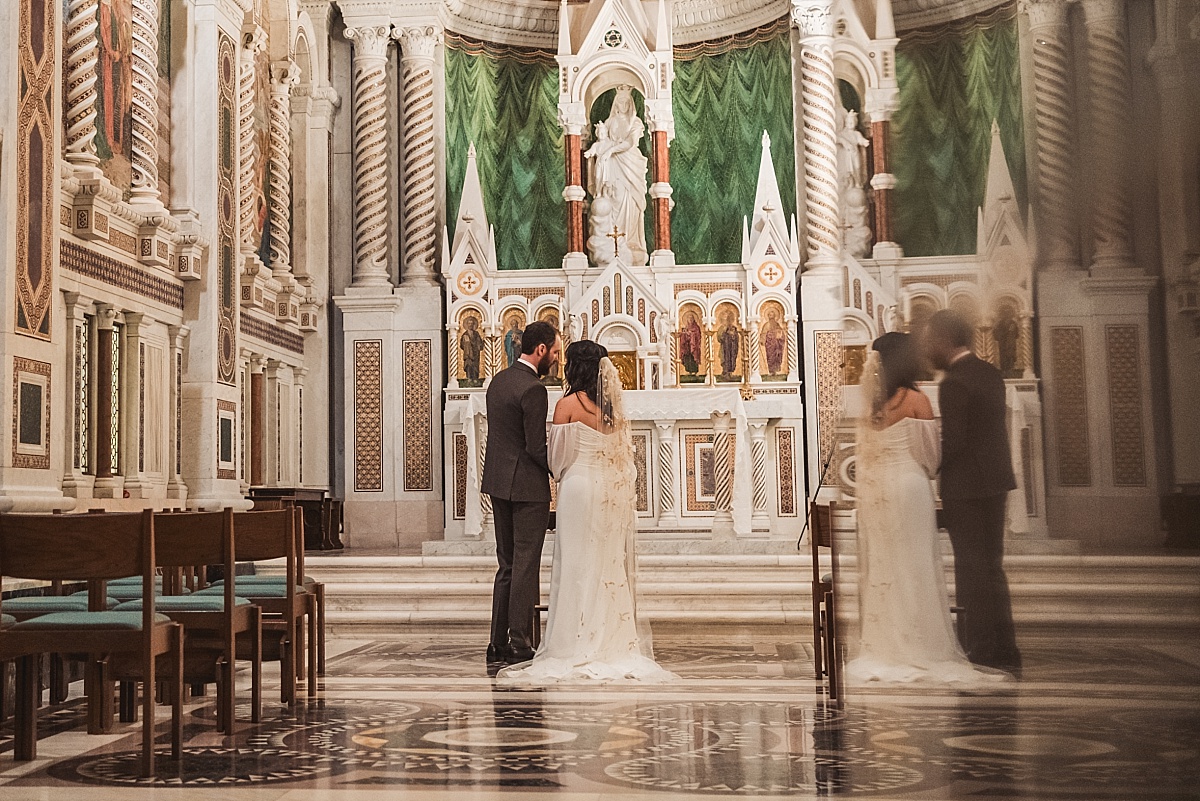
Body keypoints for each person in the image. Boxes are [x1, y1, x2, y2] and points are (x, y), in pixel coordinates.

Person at [498, 340, 675, 684]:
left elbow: (557, 460)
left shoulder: (566, 405)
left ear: (574, 368)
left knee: (575, 564)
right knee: (607, 564)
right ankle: (610, 643)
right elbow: (627, 464)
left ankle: (570, 646)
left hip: (578, 488)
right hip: (609, 492)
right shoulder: (615, 413)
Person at [847, 332, 1011, 685]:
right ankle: (923, 647)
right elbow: (930, 456)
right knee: (917, 565)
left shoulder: (870, 406)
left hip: (880, 493)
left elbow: (867, 458)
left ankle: (887, 646)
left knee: (886, 568)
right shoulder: (916, 400)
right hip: (910, 488)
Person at [925, 309, 1022, 675]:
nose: (929, 346)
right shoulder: (990, 372)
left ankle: (979, 646)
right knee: (992, 566)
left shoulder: (953, 382)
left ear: (946, 340)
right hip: (996, 482)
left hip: (965, 487)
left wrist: (928, 465)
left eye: (932, 338)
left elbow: (956, 440)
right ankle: (1005, 645)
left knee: (971, 568)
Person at [482, 320, 561, 665]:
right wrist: (563, 468)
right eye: (555, 352)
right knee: (526, 564)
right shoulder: (534, 389)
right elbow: (535, 446)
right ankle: (519, 639)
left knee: (507, 565)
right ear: (540, 349)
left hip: (498, 482)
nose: (557, 359)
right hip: (527, 487)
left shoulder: (498, 381)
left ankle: (497, 641)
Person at [585, 86, 649, 267]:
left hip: (629, 167)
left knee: (629, 203)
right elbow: (601, 141)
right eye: (619, 101)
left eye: (626, 102)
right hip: (611, 167)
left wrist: (611, 149)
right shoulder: (609, 121)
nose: (622, 105)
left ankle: (630, 244)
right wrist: (603, 150)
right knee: (611, 201)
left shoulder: (635, 123)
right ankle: (610, 246)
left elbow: (629, 143)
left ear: (631, 103)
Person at [459, 316, 484, 385]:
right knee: (469, 366)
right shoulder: (465, 334)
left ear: (474, 325)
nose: (470, 325)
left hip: (476, 353)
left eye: (472, 324)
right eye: (469, 324)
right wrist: (466, 342)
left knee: (475, 366)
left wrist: (480, 343)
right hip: (468, 354)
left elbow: (480, 344)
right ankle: (469, 378)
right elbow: (461, 345)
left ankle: (475, 378)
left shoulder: (476, 334)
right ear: (467, 325)